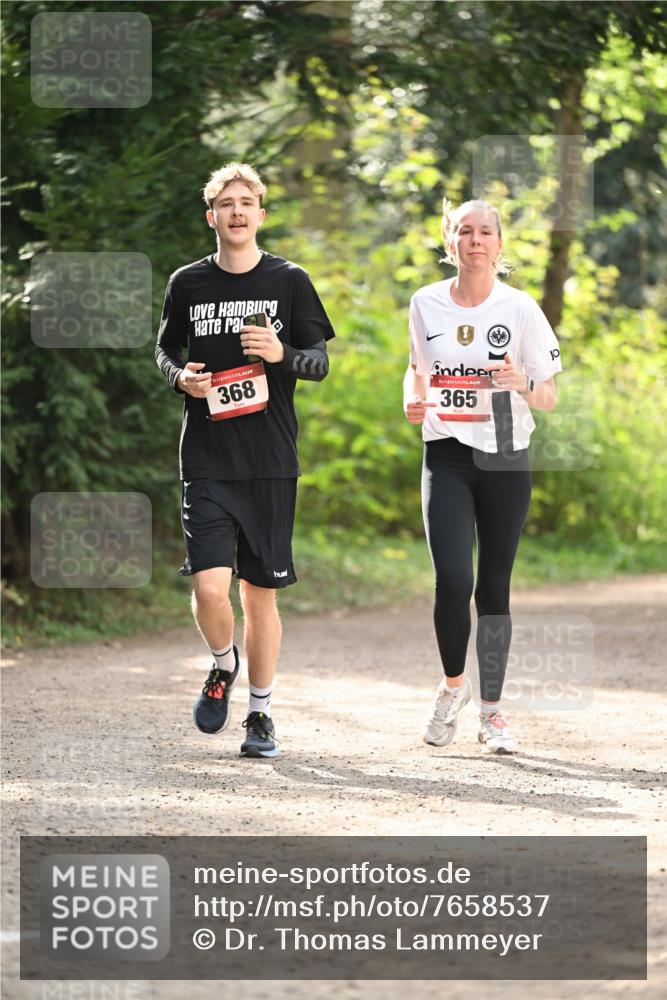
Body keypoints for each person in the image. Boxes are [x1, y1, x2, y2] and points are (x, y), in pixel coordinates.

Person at [155, 162, 334, 758]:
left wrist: (282, 353)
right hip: (206, 457)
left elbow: (319, 363)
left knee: (260, 594)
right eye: (226, 204)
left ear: (261, 214)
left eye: (246, 202)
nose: (236, 212)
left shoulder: (290, 280)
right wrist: (180, 378)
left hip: (270, 459)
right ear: (211, 216)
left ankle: (260, 714)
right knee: (210, 588)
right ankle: (221, 663)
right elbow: (164, 350)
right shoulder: (187, 283)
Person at [404, 197, 562, 754]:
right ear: (450, 242)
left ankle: (492, 713)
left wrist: (522, 383)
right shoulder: (424, 303)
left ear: (499, 244)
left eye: (485, 232)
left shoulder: (520, 308)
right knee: (453, 581)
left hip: (505, 456)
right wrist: (411, 399)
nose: (475, 240)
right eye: (465, 231)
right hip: (446, 452)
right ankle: (453, 688)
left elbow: (549, 396)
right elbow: (417, 370)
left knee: (494, 587)